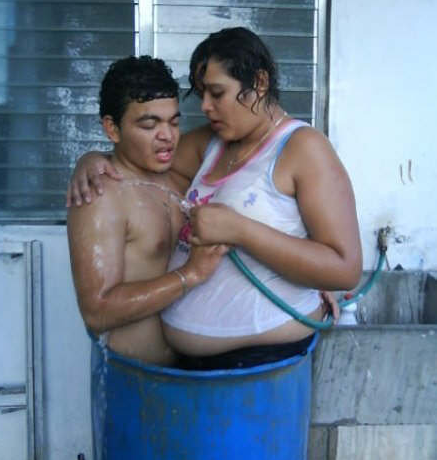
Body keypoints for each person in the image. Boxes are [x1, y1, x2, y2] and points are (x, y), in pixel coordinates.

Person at [67, 27, 362, 370]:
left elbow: (344, 268)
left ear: (259, 83)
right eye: (202, 94)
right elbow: (134, 162)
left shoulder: (304, 148)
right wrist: (89, 160)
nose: (206, 106)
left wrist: (241, 231)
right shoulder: (212, 144)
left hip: (260, 367)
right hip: (183, 368)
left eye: (217, 93)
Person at [67, 55, 227, 367]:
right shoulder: (100, 195)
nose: (167, 136)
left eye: (174, 122)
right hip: (133, 380)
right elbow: (97, 311)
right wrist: (190, 275)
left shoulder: (179, 180)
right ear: (112, 129)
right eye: (150, 125)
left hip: (191, 376)